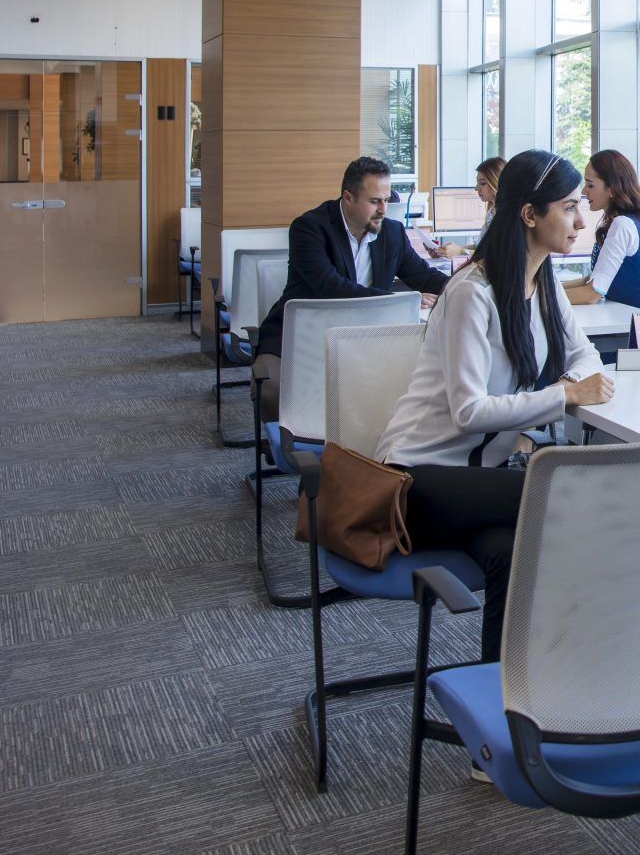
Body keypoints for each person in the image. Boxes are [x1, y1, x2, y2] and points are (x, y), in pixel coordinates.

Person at [377, 149, 614, 665]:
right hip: (417, 480)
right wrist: (565, 395)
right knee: (564, 488)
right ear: (530, 214)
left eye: (581, 205)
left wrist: (572, 382)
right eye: (569, 206)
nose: (581, 220)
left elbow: (586, 356)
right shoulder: (470, 293)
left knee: (512, 553)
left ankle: (504, 698)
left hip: (478, 481)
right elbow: (469, 412)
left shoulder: (544, 281)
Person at [254, 156, 448, 358]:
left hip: (363, 339)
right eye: (374, 201)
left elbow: (424, 277)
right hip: (303, 337)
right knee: (280, 387)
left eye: (387, 200)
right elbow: (331, 287)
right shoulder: (309, 228)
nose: (383, 210)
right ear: (348, 198)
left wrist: (466, 289)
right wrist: (402, 301)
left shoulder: (392, 232)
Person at [563, 149, 640, 311]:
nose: (583, 191)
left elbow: (590, 295)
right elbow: (594, 279)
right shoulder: (631, 220)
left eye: (590, 185)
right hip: (636, 317)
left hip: (637, 324)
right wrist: (549, 289)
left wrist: (541, 298)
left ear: (612, 188)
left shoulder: (622, 224)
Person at [437, 156, 506, 258]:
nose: (476, 188)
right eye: (477, 182)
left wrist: (461, 252)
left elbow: (495, 256)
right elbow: (479, 247)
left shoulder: (508, 217)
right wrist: (448, 251)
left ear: (497, 183)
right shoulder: (492, 211)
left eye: (482, 183)